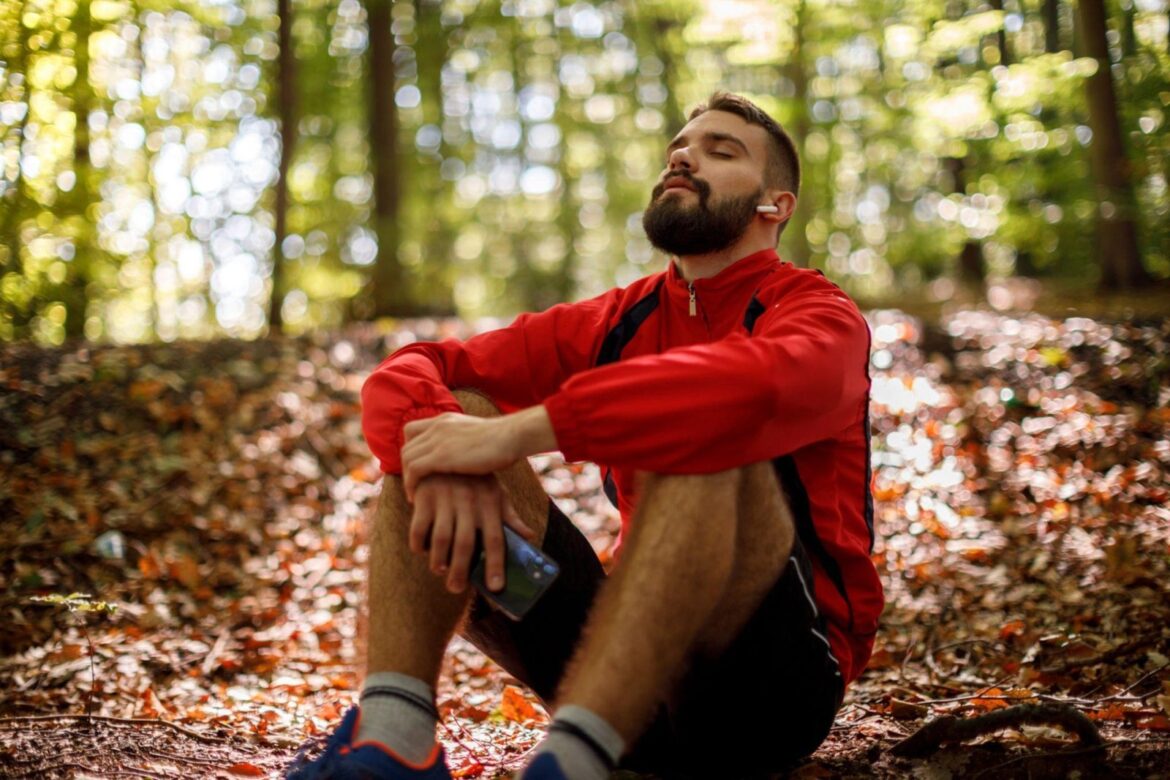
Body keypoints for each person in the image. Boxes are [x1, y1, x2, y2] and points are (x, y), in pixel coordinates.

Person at [287, 91, 883, 780]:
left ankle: (573, 762)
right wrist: (444, 448)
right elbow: (419, 367)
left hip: (770, 689)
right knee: (448, 417)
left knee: (705, 433)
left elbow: (761, 386)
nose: (684, 157)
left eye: (722, 151)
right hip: (621, 675)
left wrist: (524, 433)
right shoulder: (619, 319)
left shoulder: (817, 312)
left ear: (774, 205)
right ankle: (394, 740)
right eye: (678, 149)